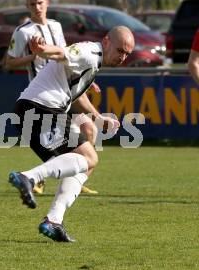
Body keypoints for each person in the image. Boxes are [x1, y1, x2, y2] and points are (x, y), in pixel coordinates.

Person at [8, 26, 134, 242]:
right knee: (90, 157)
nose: (122, 57)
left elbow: (75, 94)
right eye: (120, 50)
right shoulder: (89, 52)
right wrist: (42, 50)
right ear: (106, 41)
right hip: (41, 108)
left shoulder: (94, 62)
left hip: (33, 110)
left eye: (127, 54)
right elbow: (62, 53)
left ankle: (53, 221)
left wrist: (98, 117)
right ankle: (29, 177)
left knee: (85, 163)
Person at [5, 0, 98, 195]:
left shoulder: (56, 26)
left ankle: (75, 178)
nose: (37, 8)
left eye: (40, 3)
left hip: (66, 90)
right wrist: (33, 56)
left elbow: (68, 58)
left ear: (47, 2)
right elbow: (8, 63)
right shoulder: (23, 32)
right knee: (54, 141)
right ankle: (44, 178)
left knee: (89, 129)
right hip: (45, 96)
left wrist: (86, 79)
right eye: (32, 5)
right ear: (27, 6)